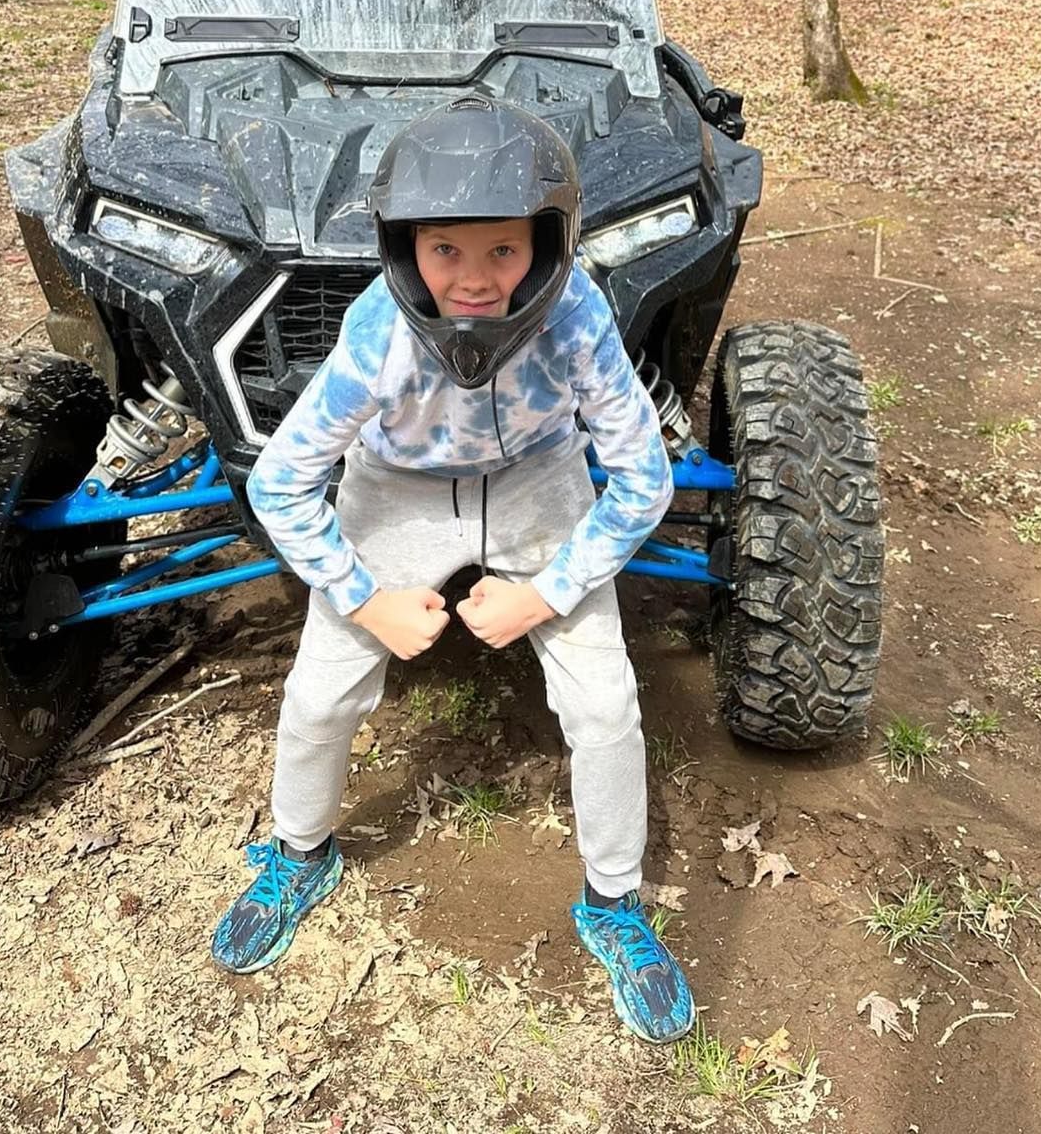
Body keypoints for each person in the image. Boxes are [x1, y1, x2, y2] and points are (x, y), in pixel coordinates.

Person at [210, 95, 695, 1043]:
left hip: (538, 480)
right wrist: (365, 600)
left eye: (503, 252)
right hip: (396, 486)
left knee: (604, 702)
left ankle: (615, 902)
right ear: (403, 248)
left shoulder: (578, 319)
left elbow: (644, 475)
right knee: (319, 693)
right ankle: (297, 851)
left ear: (549, 247)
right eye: (445, 252)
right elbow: (281, 482)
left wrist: (549, 593)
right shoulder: (377, 333)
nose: (473, 282)